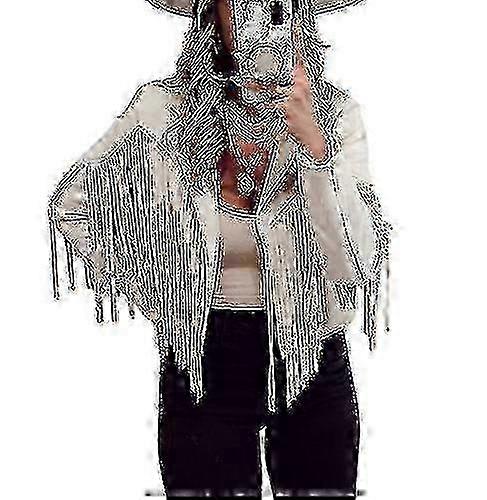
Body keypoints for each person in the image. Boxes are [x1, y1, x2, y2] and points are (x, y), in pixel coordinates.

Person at [47, 0, 393, 498]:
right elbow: (72, 204)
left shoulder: (336, 114)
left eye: (274, 4)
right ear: (213, 13)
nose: (259, 17)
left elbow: (353, 266)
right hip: (202, 364)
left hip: (312, 357)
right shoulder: (163, 111)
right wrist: (154, 289)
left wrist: (317, 152)